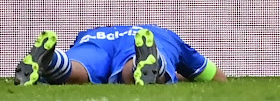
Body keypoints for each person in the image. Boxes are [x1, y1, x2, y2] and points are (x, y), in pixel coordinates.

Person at [14, 25, 228, 85]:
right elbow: (217, 77)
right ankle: (145, 63)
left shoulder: (94, 32)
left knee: (79, 68)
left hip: (96, 38)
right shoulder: (169, 36)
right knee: (130, 71)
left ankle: (51, 61)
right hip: (154, 38)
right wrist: (181, 74)